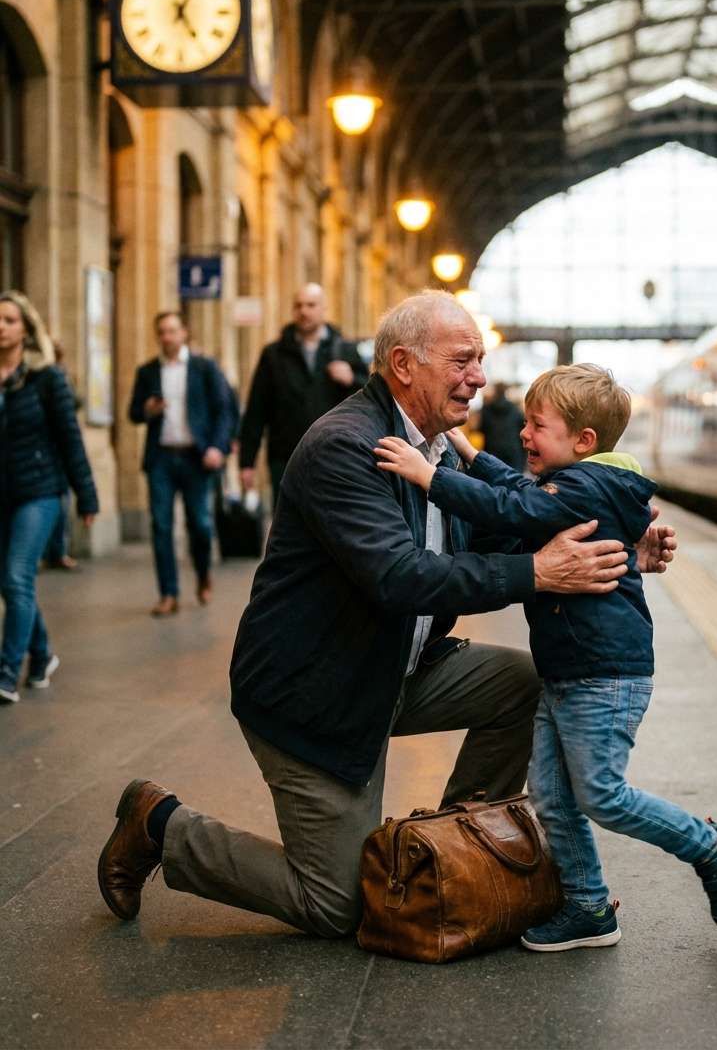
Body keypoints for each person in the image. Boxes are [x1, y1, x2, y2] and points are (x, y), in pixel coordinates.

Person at [96, 292, 676, 938]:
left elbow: (506, 536)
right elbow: (400, 577)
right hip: (317, 695)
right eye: (463, 360)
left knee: (524, 686)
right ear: (404, 364)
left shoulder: (435, 447)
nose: (479, 377)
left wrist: (623, 548)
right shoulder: (345, 447)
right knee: (335, 905)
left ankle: (454, 857)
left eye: (480, 360)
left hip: (398, 668)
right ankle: (159, 824)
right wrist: (539, 574)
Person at [375, 362, 717, 953]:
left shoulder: (584, 487)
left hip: (603, 674)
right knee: (550, 795)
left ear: (583, 442)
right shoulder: (577, 482)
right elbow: (521, 493)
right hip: (569, 672)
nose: (523, 434)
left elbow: (512, 512)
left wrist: (431, 477)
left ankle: (711, 847)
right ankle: (588, 905)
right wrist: (468, 453)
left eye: (536, 425)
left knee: (600, 793)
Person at [0, 292, 98, 705]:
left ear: (26, 328)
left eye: (8, 319)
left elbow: (70, 439)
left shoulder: (46, 377)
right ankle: (41, 654)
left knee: (17, 575)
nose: (1, 326)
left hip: (39, 492)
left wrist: (86, 496)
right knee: (10, 581)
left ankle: (6, 672)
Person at [128, 311, 233, 617]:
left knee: (200, 524)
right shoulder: (147, 371)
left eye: (172, 330)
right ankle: (168, 594)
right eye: (161, 331)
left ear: (184, 333)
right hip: (161, 457)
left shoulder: (204, 367)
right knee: (161, 526)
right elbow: (133, 413)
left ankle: (202, 574)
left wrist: (217, 446)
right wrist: (147, 409)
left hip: (195, 457)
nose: (167, 337)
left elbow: (223, 409)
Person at [238, 284, 368, 504]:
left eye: (311, 305)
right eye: (298, 306)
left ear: (324, 309)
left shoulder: (345, 349)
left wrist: (351, 380)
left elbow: (370, 397)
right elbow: (257, 410)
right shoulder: (273, 355)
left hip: (336, 455)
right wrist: (246, 463)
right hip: (285, 456)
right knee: (288, 526)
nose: (304, 311)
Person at [42, 339, 82, 571]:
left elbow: (74, 404)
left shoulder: (58, 376)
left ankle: (58, 550)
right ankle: (53, 551)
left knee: (62, 503)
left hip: (55, 453)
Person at [478, 382, 525, 470]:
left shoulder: (486, 410)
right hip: (512, 450)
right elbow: (522, 429)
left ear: (495, 391)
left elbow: (481, 429)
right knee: (514, 480)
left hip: (492, 450)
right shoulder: (515, 409)